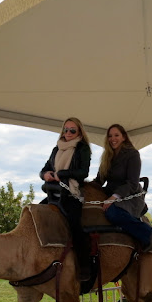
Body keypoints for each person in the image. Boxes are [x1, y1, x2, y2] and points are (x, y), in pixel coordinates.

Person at [93, 124, 152, 252]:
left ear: (123, 137)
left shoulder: (133, 154)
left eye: (116, 135)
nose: (113, 139)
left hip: (130, 196)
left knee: (112, 213)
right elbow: (99, 180)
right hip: (110, 194)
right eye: (110, 136)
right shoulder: (107, 156)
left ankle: (147, 234)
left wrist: (114, 197)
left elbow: (132, 183)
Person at [40, 117, 92, 280]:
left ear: (79, 132)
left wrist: (61, 174)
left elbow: (83, 172)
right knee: (36, 215)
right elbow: (44, 169)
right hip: (53, 193)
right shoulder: (56, 148)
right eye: (66, 129)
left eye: (72, 130)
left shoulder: (82, 148)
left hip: (71, 193)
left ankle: (85, 266)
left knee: (75, 225)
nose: (68, 133)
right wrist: (45, 174)